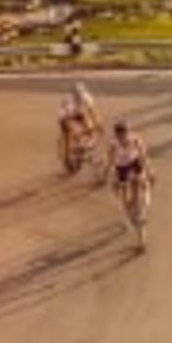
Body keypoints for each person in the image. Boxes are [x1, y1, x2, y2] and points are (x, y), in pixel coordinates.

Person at [106, 119, 154, 247]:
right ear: (117, 135)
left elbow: (144, 156)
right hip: (121, 168)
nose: (124, 137)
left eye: (125, 133)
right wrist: (111, 178)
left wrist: (149, 170)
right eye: (120, 135)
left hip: (134, 163)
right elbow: (111, 163)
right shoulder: (113, 145)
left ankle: (142, 205)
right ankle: (128, 212)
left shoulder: (136, 140)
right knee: (124, 195)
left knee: (141, 182)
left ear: (128, 132)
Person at [58, 81, 101, 170]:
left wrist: (97, 124)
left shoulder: (86, 97)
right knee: (72, 134)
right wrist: (77, 131)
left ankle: (87, 144)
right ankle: (67, 158)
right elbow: (68, 119)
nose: (80, 98)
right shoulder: (68, 100)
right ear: (73, 95)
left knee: (89, 126)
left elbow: (92, 110)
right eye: (78, 96)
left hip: (78, 113)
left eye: (81, 95)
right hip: (65, 117)